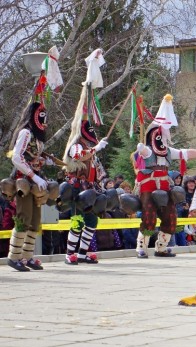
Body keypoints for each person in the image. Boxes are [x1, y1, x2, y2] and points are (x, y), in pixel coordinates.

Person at [3, 46, 63, 272]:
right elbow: (17, 158)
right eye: (42, 116)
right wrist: (32, 175)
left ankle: (27, 257)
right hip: (24, 181)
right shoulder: (26, 133)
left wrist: (45, 163)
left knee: (35, 220)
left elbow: (34, 157)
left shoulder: (38, 140)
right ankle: (14, 256)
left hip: (36, 180)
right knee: (23, 217)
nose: (44, 122)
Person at [134, 94, 196, 258]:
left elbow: (187, 153)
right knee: (148, 217)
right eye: (160, 135)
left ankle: (161, 247)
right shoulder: (149, 151)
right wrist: (140, 148)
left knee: (170, 216)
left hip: (164, 188)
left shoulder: (168, 152)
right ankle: (141, 247)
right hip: (148, 188)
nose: (162, 137)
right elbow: (141, 152)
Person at [61, 49, 110, 265]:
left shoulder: (89, 144)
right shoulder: (75, 145)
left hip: (91, 187)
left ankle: (82, 253)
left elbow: (97, 167)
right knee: (78, 220)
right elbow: (80, 156)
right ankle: (69, 254)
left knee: (91, 221)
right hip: (79, 188)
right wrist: (96, 148)